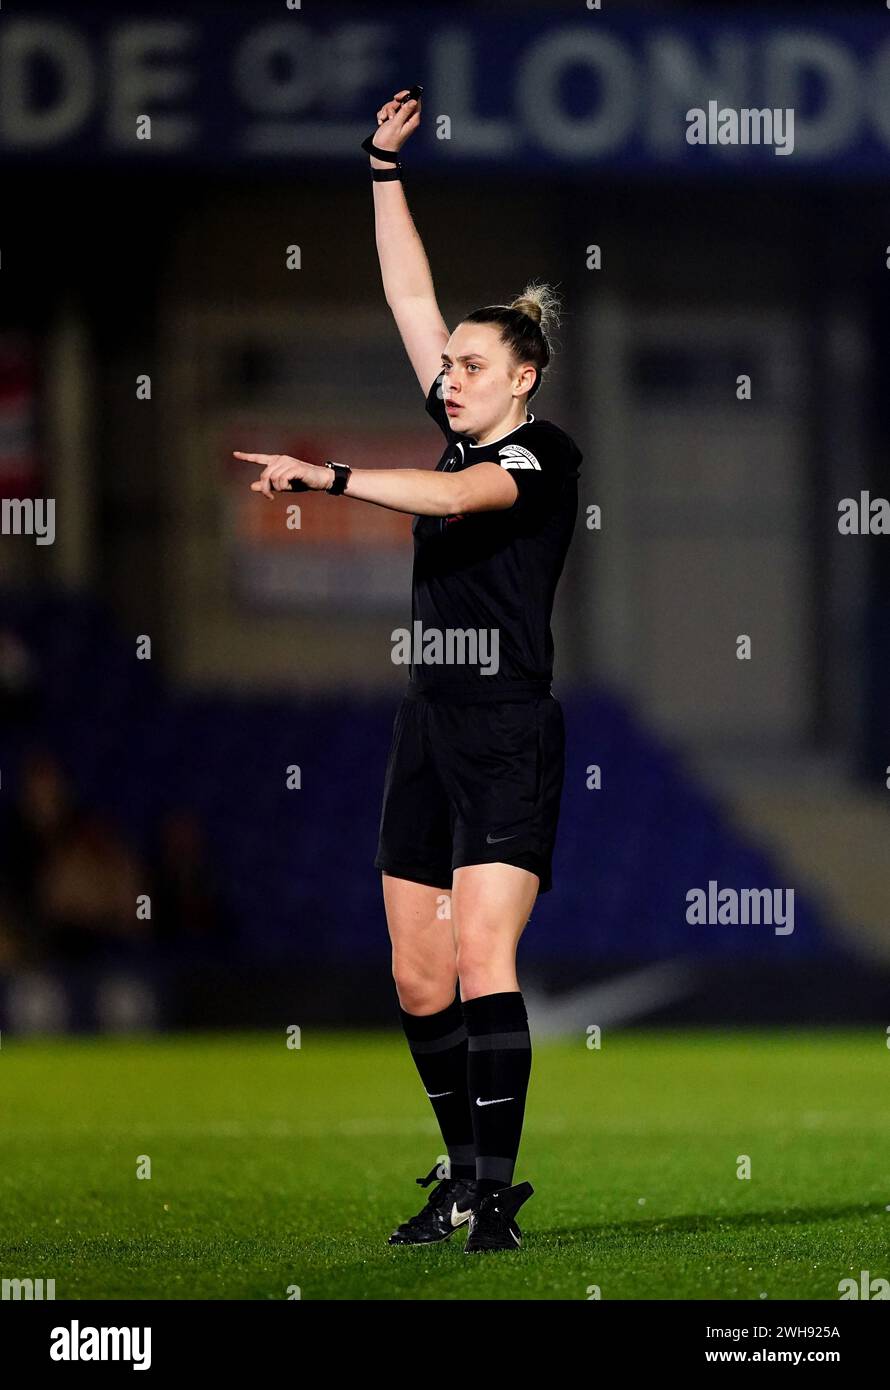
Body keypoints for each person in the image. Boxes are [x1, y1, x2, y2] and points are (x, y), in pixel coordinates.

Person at [233, 87, 582, 1254]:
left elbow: (446, 496)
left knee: (484, 953)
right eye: (448, 365)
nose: (449, 374)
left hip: (506, 726)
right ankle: (463, 1173)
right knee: (418, 970)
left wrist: (330, 480)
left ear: (519, 378)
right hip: (427, 719)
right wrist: (380, 167)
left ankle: (493, 1193)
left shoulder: (536, 454)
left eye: (470, 366)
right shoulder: (457, 419)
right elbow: (405, 291)